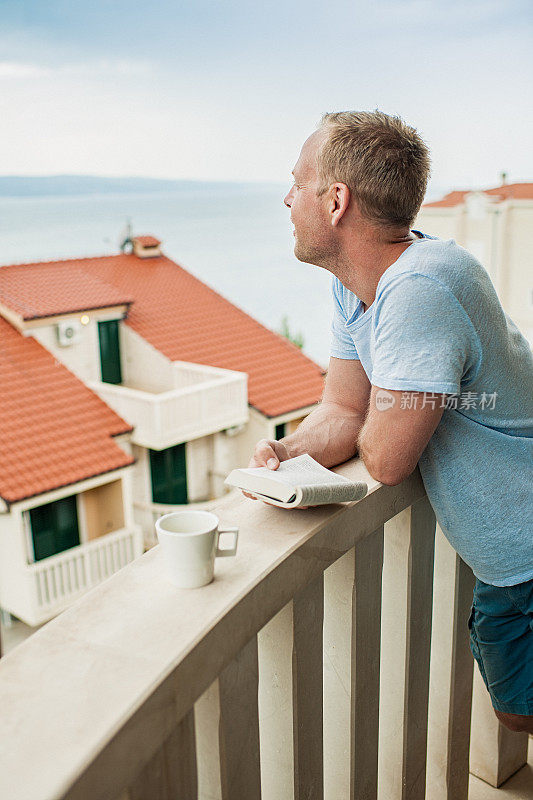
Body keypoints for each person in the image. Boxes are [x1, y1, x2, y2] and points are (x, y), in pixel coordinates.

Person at [244, 110, 533, 733]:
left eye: (298, 183)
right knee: (518, 714)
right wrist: (289, 451)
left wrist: (383, 414)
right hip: (507, 556)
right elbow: (346, 410)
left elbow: (385, 457)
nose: (288, 198)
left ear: (336, 201)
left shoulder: (421, 288)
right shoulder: (358, 287)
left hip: (529, 544)